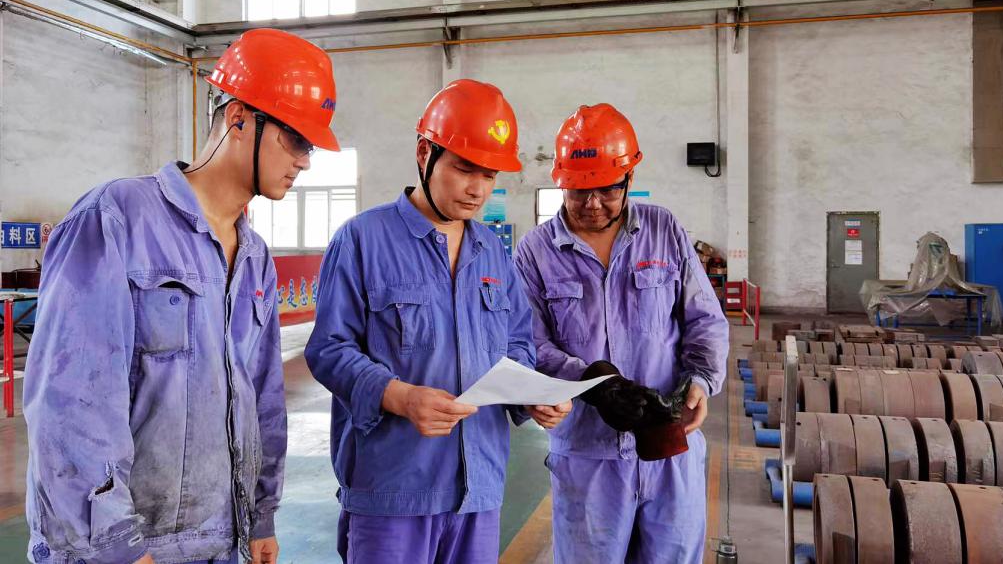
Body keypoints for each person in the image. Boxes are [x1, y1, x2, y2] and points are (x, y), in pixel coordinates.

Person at [23, 28, 340, 564]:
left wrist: (259, 516)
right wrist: (118, 547)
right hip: (124, 548)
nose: (305, 161)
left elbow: (263, 397)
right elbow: (70, 402)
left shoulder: (255, 256)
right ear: (238, 118)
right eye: (296, 139)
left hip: (222, 541)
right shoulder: (118, 218)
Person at [305, 79, 571, 564]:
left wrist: (530, 395)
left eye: (489, 174)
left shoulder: (492, 252)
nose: (478, 189)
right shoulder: (362, 240)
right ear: (425, 154)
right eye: (465, 169)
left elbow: (517, 342)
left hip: (480, 487)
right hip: (393, 488)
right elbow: (329, 349)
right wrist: (398, 396)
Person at [513, 103, 729, 564]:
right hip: (587, 453)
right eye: (578, 190)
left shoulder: (663, 229)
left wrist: (701, 379)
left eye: (607, 189)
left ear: (630, 178)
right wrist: (594, 384)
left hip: (670, 445)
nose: (592, 204)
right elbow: (529, 342)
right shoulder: (535, 252)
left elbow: (704, 317)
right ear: (561, 182)